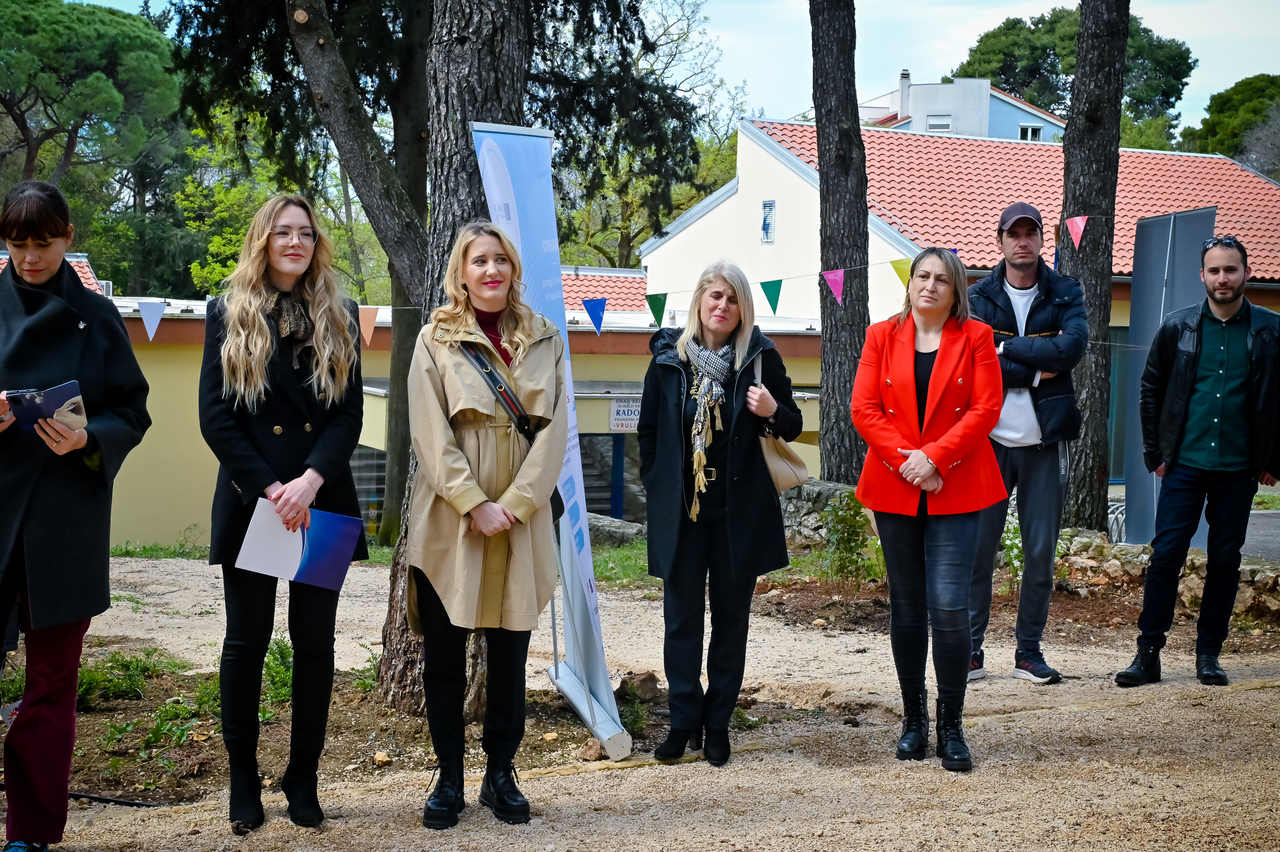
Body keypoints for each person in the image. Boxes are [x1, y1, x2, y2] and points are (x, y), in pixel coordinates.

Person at [198, 194, 365, 834]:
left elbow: (348, 414)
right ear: (263, 240)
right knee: (245, 642)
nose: (294, 242)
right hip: (254, 502)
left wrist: (310, 481)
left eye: (305, 233)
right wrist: (274, 488)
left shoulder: (342, 313)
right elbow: (215, 416)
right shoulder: (227, 312)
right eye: (282, 232)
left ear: (316, 243)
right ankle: (243, 780)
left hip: (322, 502)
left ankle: (303, 778)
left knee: (315, 645)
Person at [0, 180, 151, 851]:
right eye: (18, 244)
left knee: (52, 682)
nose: (31, 257)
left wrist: (89, 438)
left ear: (67, 236)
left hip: (65, 524)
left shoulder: (98, 315)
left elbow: (133, 413)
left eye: (44, 242)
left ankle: (30, 835)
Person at [405, 221, 567, 829]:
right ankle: (447, 776)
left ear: (513, 268)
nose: (492, 270)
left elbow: (555, 431)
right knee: (445, 655)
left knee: (510, 652)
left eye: (501, 259)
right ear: (462, 273)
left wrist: (518, 505)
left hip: (521, 516)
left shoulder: (545, 337)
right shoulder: (435, 339)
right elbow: (429, 430)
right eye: (479, 261)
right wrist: (473, 502)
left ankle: (501, 775)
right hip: (451, 517)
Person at [638, 260, 802, 768]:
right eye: (715, 296)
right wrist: (659, 485)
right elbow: (648, 431)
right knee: (681, 623)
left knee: (731, 624)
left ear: (743, 309)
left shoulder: (760, 358)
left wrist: (771, 409)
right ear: (699, 302)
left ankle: (718, 723)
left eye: (732, 299)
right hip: (682, 517)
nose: (723, 306)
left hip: (738, 516)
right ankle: (682, 720)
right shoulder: (669, 359)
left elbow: (793, 425)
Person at [851, 247, 1005, 772]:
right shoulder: (880, 335)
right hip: (896, 485)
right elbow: (863, 409)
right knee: (908, 606)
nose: (930, 285)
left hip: (957, 485)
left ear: (956, 289)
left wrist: (935, 458)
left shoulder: (977, 337)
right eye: (922, 276)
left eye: (942, 278)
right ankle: (913, 720)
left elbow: (986, 408)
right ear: (910, 282)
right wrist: (910, 463)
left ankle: (951, 725)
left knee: (949, 606)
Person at [1116, 235, 1280, 688]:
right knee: (1166, 555)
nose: (1223, 278)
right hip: (1184, 463)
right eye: (1215, 270)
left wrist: (1275, 459)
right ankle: (1147, 654)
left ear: (1246, 273)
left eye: (1231, 269)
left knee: (1225, 559)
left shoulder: (1270, 330)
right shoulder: (1178, 327)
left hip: (1239, 466)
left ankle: (1209, 655)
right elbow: (1151, 388)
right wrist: (1155, 453)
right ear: (1202, 275)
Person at [966, 202, 1088, 685]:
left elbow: (1071, 349)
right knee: (979, 551)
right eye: (1013, 234)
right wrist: (1039, 369)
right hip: (988, 443)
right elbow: (973, 361)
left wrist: (1006, 347)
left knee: (1040, 554)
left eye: (1030, 233)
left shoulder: (1065, 290)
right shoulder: (978, 296)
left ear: (1043, 239)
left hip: (1044, 442)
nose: (1022, 241)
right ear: (999, 241)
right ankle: (970, 650)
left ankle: (1029, 653)